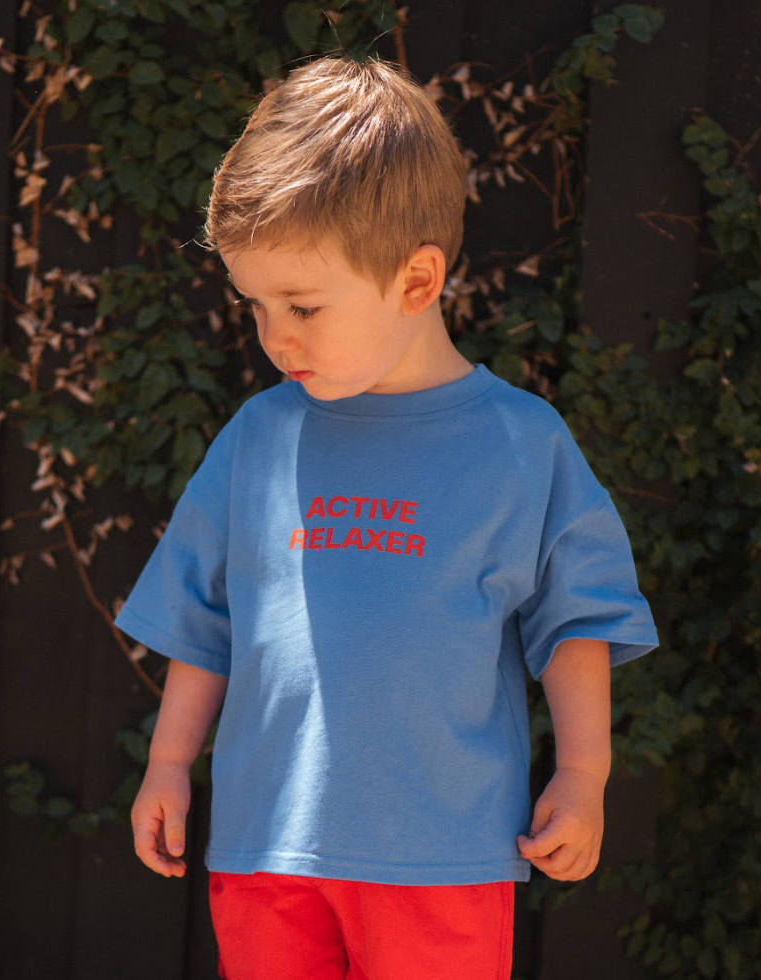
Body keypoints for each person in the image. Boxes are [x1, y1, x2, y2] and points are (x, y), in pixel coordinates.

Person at [116, 56, 658, 980]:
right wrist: (168, 761)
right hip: (265, 854)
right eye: (256, 305)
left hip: (443, 864)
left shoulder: (521, 444)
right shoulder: (257, 437)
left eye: (302, 305)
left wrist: (583, 775)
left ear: (416, 280)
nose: (274, 337)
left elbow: (579, 617)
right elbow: (204, 617)